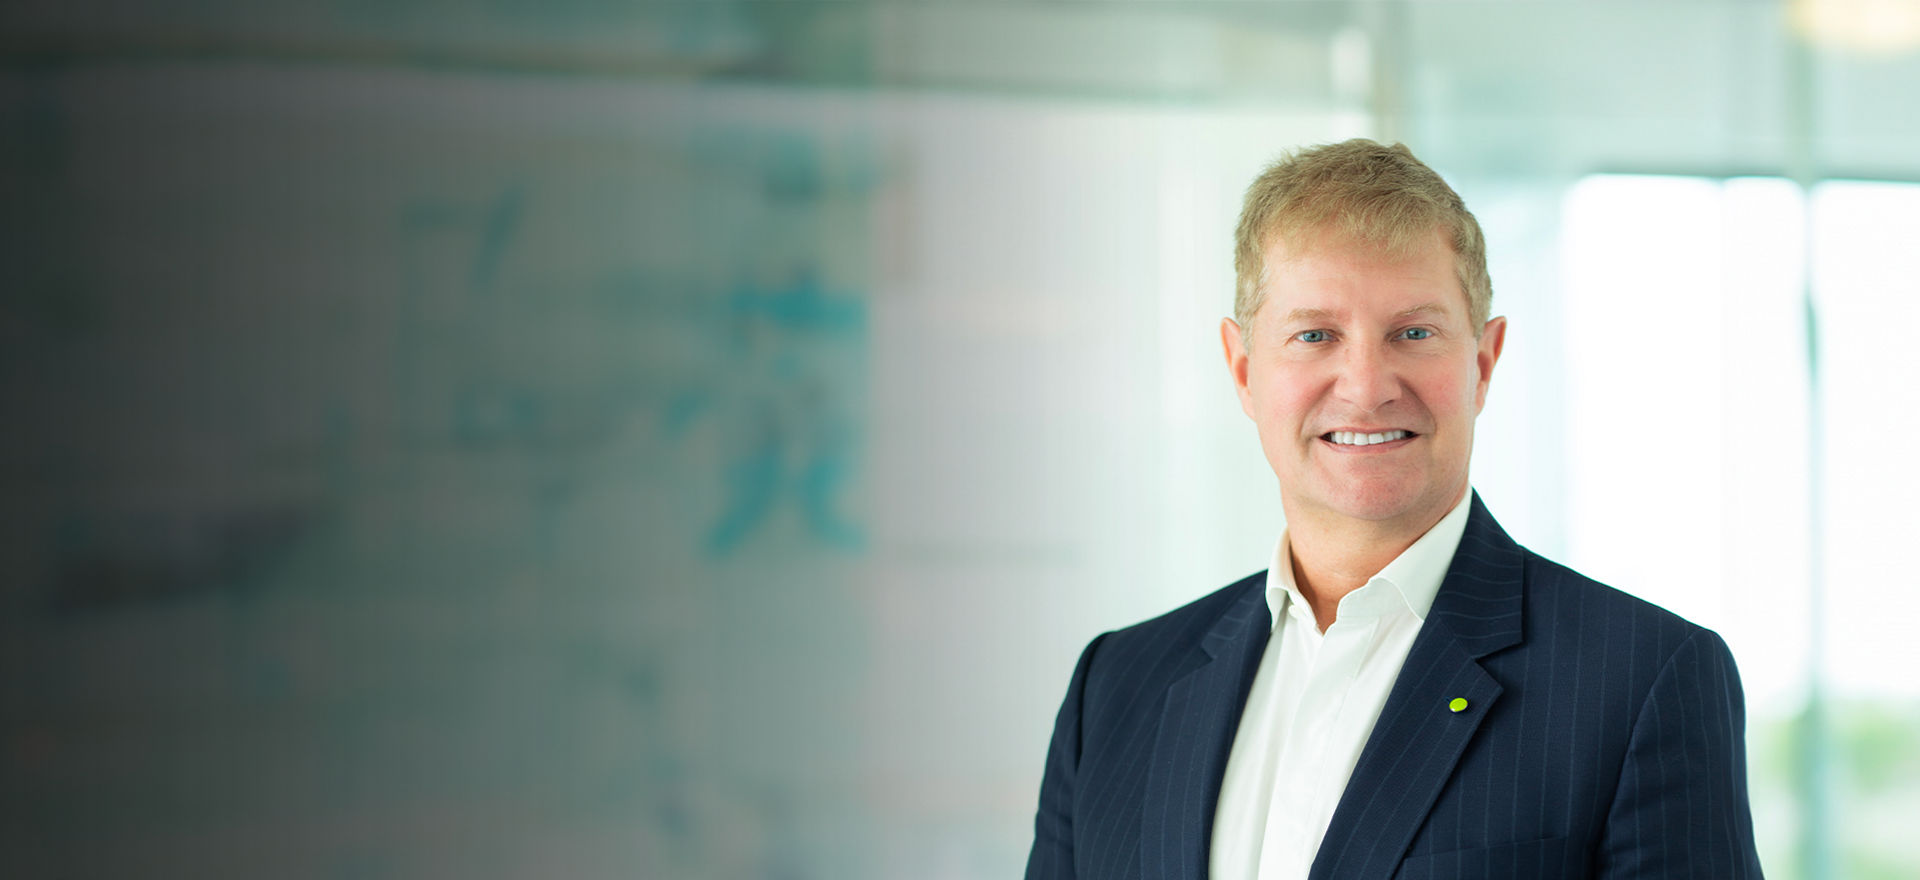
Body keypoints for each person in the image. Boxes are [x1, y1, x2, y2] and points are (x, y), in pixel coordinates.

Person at [1023, 139, 1762, 879]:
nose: (1367, 386)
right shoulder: (1116, 687)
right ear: (1244, 370)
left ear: (1483, 363)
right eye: (1315, 335)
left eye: (1413, 333)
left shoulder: (1641, 682)